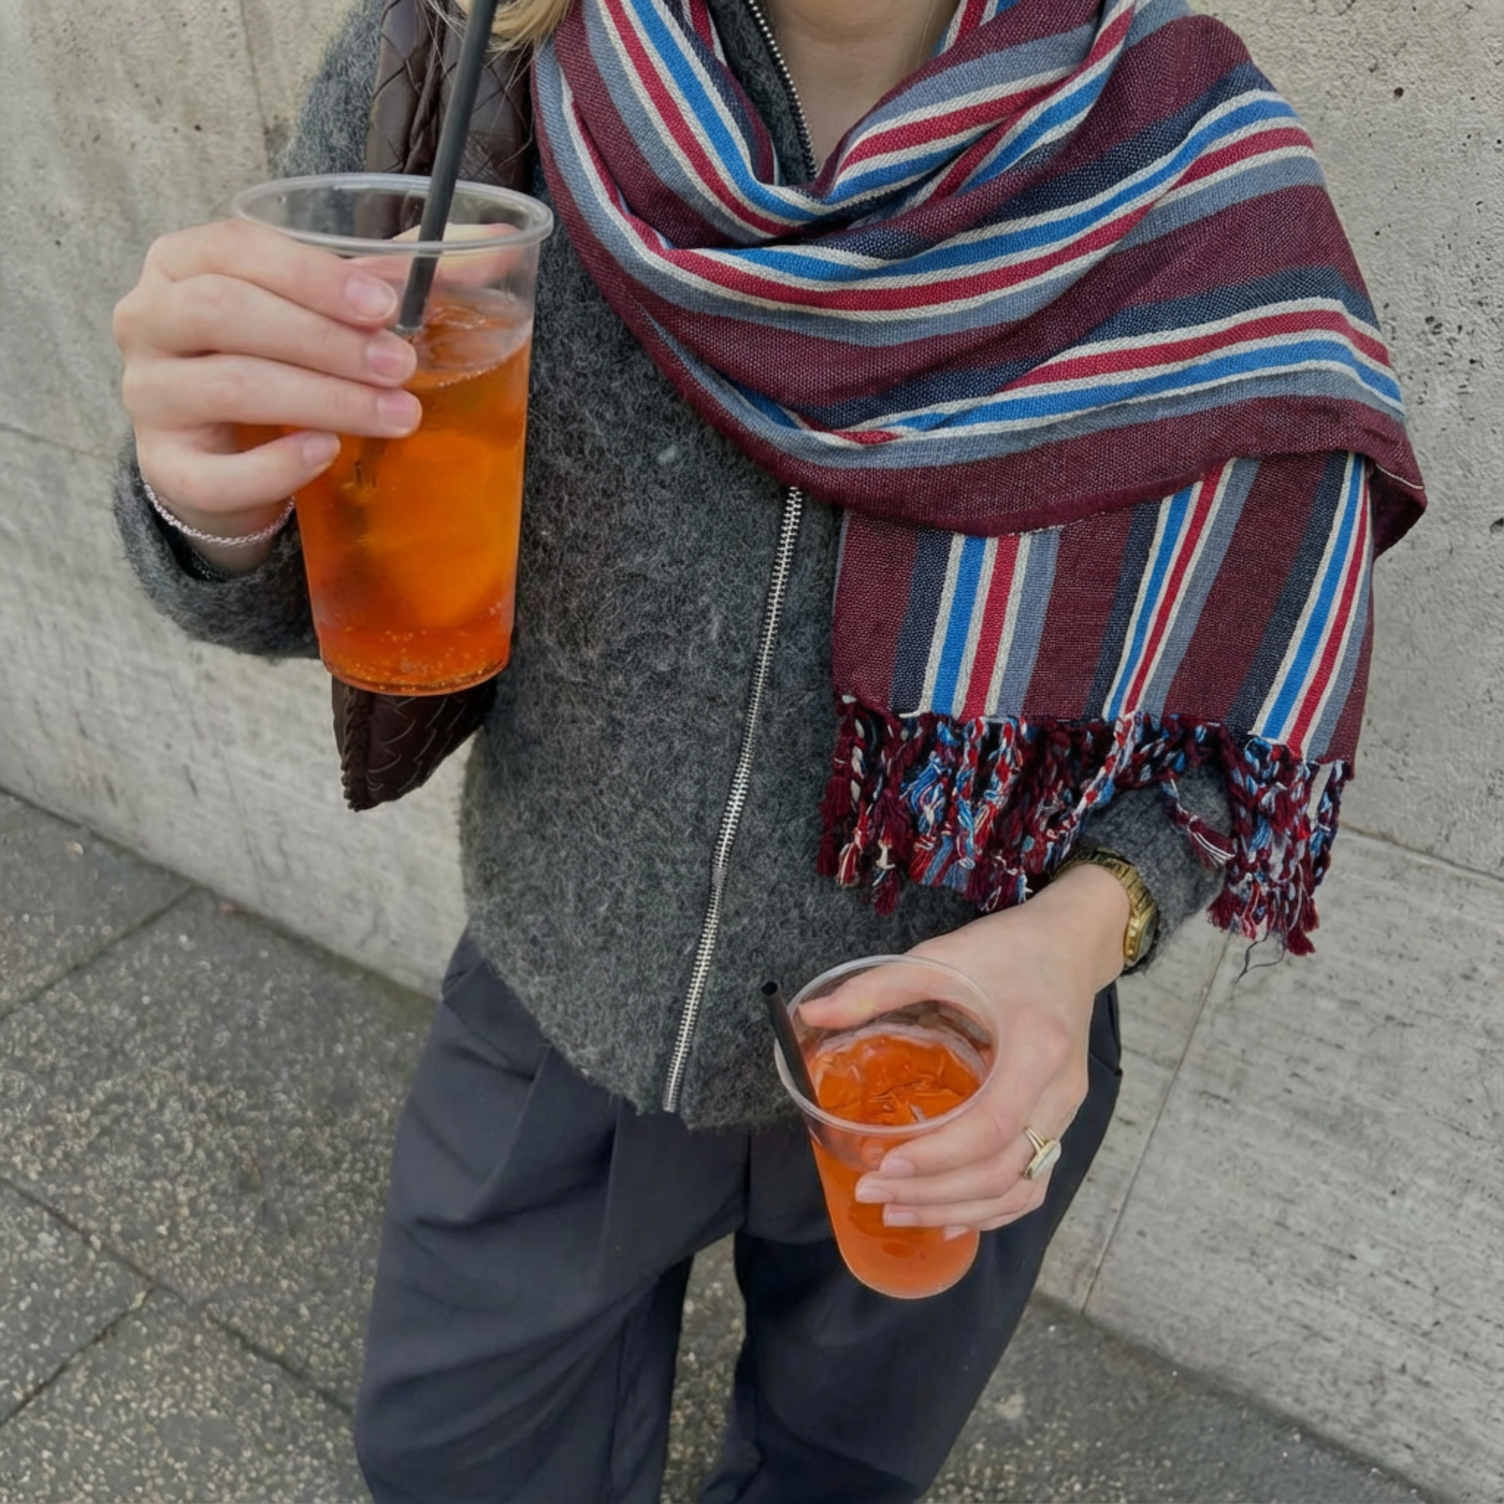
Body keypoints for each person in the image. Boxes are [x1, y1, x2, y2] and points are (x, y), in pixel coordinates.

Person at [111, 0, 1425, 1498]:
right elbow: (340, 585)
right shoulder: (472, 61)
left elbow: (1243, 696)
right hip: (560, 997)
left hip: (948, 1056)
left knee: (836, 1478)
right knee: (453, 1464)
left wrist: (1086, 929)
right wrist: (220, 497)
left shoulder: (1190, 151)